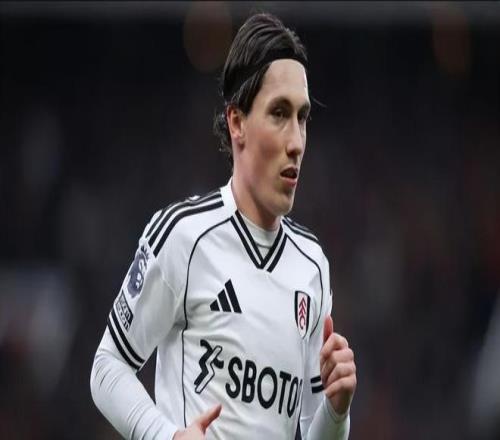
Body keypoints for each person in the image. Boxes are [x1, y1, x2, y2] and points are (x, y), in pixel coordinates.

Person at [90, 12, 356, 440]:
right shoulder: (184, 236)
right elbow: (107, 366)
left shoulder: (312, 266)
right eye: (279, 113)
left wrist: (337, 411)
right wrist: (167, 436)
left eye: (303, 117)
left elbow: (312, 433)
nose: (296, 141)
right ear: (237, 123)